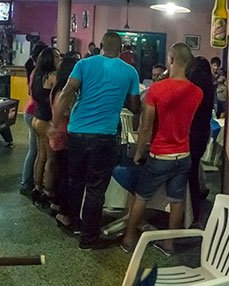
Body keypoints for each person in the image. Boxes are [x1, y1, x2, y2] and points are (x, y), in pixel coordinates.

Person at [51, 32, 141, 250]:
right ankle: (89, 238)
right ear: (121, 50)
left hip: (76, 132)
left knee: (76, 181)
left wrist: (54, 125)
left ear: (100, 46)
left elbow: (66, 92)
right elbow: (136, 107)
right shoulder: (130, 72)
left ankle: (75, 223)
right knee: (95, 189)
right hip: (103, 136)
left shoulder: (84, 64)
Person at [120, 43, 203, 255]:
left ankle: (129, 239)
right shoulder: (197, 92)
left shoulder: (157, 89)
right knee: (176, 201)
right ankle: (169, 243)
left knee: (141, 196)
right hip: (183, 154)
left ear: (171, 59)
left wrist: (138, 154)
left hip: (160, 154)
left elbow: (146, 127)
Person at [49, 56, 79, 228]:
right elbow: (67, 112)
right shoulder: (67, 92)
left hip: (57, 132)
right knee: (66, 175)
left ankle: (56, 203)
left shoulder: (56, 88)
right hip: (65, 132)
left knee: (61, 171)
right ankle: (62, 211)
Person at [186, 57, 216, 225]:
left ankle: (191, 214)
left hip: (190, 134)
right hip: (202, 134)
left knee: (188, 175)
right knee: (193, 172)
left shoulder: (193, 88)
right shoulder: (208, 87)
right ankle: (194, 212)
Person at [30, 47, 60, 207]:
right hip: (46, 121)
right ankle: (47, 191)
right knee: (51, 159)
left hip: (36, 118)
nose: (59, 59)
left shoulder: (36, 74)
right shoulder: (52, 76)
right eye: (56, 57)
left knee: (40, 155)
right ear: (50, 59)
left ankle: (37, 187)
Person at [20, 43, 48, 194]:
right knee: (34, 150)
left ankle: (28, 182)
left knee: (35, 150)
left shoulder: (35, 71)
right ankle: (25, 184)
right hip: (33, 113)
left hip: (31, 112)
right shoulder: (39, 72)